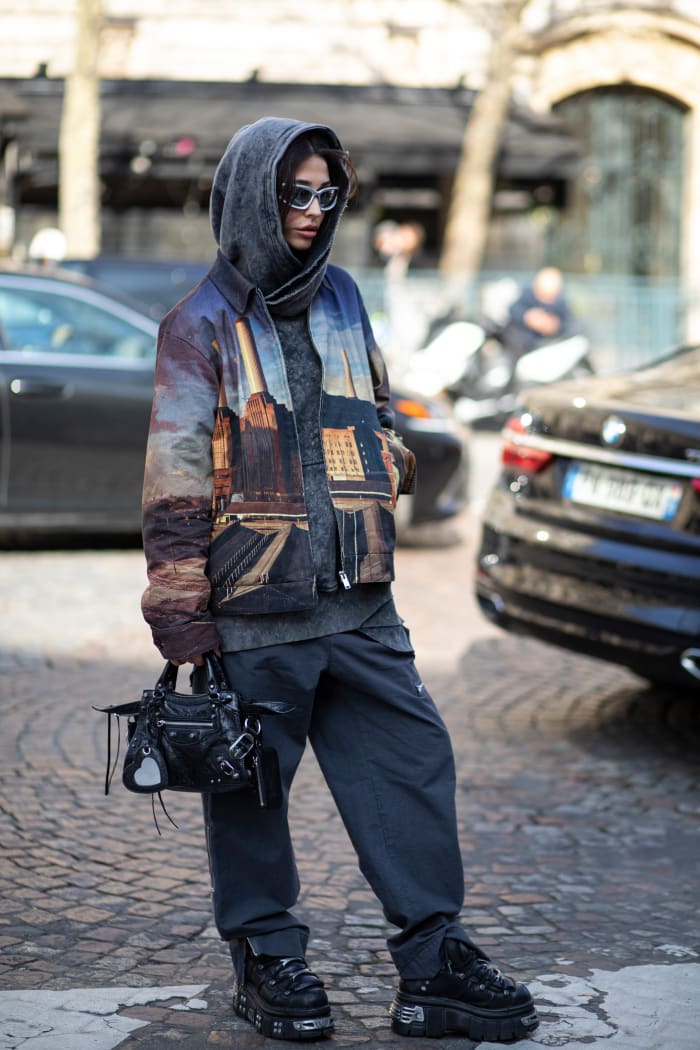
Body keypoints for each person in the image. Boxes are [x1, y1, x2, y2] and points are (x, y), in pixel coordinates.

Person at [140, 117, 538, 1043]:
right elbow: (172, 485)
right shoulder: (197, 323)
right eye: (294, 193)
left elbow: (380, 406)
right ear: (249, 196)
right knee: (250, 796)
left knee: (412, 767)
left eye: (327, 193)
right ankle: (268, 961)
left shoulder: (345, 298)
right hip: (255, 610)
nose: (314, 212)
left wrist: (381, 468)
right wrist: (187, 626)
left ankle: (433, 962)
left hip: (360, 601)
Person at [502, 265, 572, 360]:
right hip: (522, 339)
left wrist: (554, 325)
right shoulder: (528, 296)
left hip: (546, 343)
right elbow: (513, 310)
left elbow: (568, 323)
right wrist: (528, 317)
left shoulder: (560, 303)